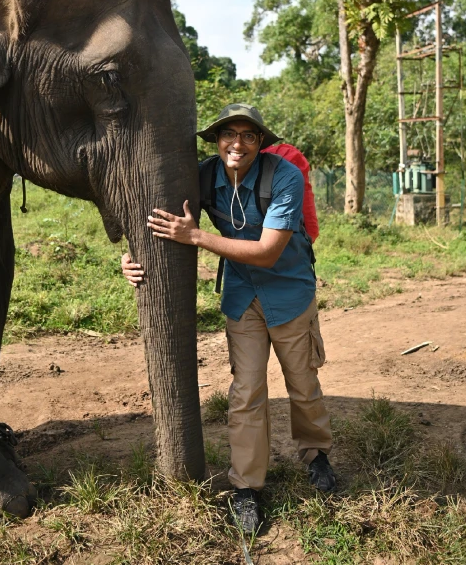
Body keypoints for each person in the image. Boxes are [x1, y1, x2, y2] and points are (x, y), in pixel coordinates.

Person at [120, 103, 335, 535]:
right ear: (216, 140)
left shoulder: (284, 176)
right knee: (246, 392)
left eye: (248, 135)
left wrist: (196, 236)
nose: (237, 143)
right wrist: (130, 258)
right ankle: (246, 487)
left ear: (261, 142)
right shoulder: (203, 175)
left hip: (290, 292)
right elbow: (154, 216)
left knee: (303, 383)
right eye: (228, 134)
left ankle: (315, 454)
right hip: (242, 298)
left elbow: (268, 252)